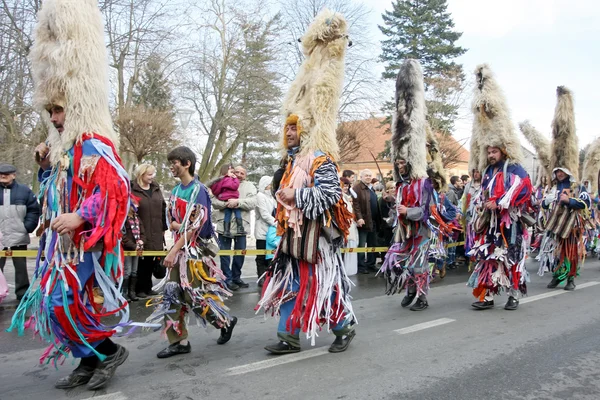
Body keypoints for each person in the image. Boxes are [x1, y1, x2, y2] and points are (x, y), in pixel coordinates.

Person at [9, 0, 131, 390]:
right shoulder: (63, 150)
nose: (54, 118)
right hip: (60, 246)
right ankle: (87, 360)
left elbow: (116, 188)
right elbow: (55, 194)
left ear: (75, 106)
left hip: (84, 245)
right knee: (55, 304)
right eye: (51, 111)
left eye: (59, 111)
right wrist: (46, 167)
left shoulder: (94, 144)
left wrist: (81, 216)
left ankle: (108, 352)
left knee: (67, 302)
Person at [256, 9, 356, 355]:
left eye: (295, 127)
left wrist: (296, 194)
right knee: (289, 284)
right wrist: (281, 190)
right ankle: (289, 337)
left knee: (320, 286)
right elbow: (281, 194)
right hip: (291, 238)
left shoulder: (320, 159)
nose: (289, 132)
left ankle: (344, 326)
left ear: (307, 129)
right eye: (287, 127)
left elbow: (329, 194)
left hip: (317, 240)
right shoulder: (289, 161)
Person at [146, 146, 237, 358]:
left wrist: (177, 240)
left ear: (187, 164)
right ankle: (179, 341)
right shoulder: (176, 192)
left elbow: (194, 227)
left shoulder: (200, 191)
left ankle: (224, 321)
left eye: (175, 162)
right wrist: (181, 228)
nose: (171, 166)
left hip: (195, 254)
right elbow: (173, 222)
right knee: (170, 293)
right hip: (179, 251)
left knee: (194, 295)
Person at [466, 64, 533, 311]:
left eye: (494, 151)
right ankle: (489, 295)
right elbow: (482, 193)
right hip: (490, 225)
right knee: (490, 258)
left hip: (510, 225)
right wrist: (482, 204)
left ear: (502, 150)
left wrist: (502, 202)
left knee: (512, 258)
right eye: (488, 151)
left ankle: (514, 294)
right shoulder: (488, 171)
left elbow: (523, 188)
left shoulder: (515, 169)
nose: (490, 154)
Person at [379, 59, 438, 311]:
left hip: (420, 230)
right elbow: (398, 210)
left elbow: (426, 210)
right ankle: (410, 290)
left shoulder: (423, 183)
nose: (400, 165)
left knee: (419, 262)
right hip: (404, 231)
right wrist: (393, 208)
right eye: (398, 161)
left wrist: (407, 212)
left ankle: (422, 296)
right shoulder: (401, 185)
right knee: (404, 260)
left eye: (404, 161)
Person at [538, 87, 592, 291]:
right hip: (556, 224)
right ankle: (556, 276)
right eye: (557, 172)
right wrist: (548, 201)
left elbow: (585, 203)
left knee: (571, 252)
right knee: (555, 251)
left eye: (562, 172)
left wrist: (570, 201)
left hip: (572, 225)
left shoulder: (577, 187)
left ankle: (570, 279)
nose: (559, 174)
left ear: (567, 172)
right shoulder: (554, 186)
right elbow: (543, 204)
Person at [212, 165, 257, 290]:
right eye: (236, 172)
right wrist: (226, 203)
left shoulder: (250, 187)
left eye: (242, 173)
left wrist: (238, 202)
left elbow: (253, 202)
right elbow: (214, 201)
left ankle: (237, 277)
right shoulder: (222, 182)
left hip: (240, 227)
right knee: (225, 254)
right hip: (223, 226)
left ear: (245, 175)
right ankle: (227, 279)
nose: (238, 174)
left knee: (240, 254)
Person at [0, 163, 40, 301]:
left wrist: (26, 227)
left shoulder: (24, 191)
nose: (3, 176)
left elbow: (34, 210)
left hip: (19, 236)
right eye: (0, 174)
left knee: (21, 267)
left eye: (6, 174)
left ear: (14, 175)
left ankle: (22, 294)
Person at [131, 163, 167, 298]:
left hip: (157, 230)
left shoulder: (156, 189)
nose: (153, 177)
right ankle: (139, 288)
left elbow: (163, 208)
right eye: (150, 174)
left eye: (153, 174)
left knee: (152, 260)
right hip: (140, 230)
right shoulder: (133, 189)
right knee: (140, 261)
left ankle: (148, 286)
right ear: (142, 175)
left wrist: (164, 227)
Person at [353, 169, 381, 274]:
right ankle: (361, 266)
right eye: (366, 176)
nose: (368, 177)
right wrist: (359, 218)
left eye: (370, 175)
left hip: (373, 221)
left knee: (372, 243)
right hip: (363, 221)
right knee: (361, 245)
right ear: (361, 177)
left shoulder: (371, 188)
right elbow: (356, 205)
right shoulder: (357, 189)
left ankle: (371, 264)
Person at [209, 164, 245, 238]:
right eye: (232, 172)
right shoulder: (228, 179)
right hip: (231, 198)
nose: (234, 174)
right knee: (237, 212)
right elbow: (234, 186)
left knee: (227, 215)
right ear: (226, 172)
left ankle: (226, 230)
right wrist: (235, 179)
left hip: (225, 198)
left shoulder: (221, 180)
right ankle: (240, 228)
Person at [254, 175, 276, 286]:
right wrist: (277, 223)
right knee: (261, 256)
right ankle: (261, 277)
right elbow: (264, 214)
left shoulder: (272, 197)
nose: (271, 186)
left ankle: (269, 277)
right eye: (269, 184)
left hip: (272, 233)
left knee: (270, 256)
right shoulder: (260, 196)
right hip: (262, 231)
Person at [121, 199, 145, 301]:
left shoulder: (138, 219)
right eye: (133, 205)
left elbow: (143, 233)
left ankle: (132, 292)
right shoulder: (124, 219)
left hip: (137, 249)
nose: (136, 207)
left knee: (135, 271)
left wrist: (142, 242)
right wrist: (133, 246)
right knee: (128, 271)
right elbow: (122, 235)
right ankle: (124, 293)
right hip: (128, 250)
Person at [341, 177, 359, 276]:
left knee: (351, 247)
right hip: (344, 227)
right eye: (344, 185)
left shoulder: (347, 197)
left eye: (347, 186)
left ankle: (350, 270)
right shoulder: (339, 197)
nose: (345, 188)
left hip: (350, 226)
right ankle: (345, 270)